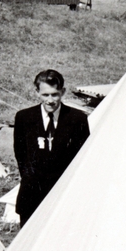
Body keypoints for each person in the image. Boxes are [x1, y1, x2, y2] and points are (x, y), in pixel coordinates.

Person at [13, 69, 90, 223]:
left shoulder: (77, 119)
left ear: (63, 91)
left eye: (55, 94)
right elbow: (21, 154)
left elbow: (83, 156)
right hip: (31, 193)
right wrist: (30, 179)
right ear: (36, 92)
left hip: (62, 194)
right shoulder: (24, 118)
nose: (50, 100)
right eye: (45, 95)